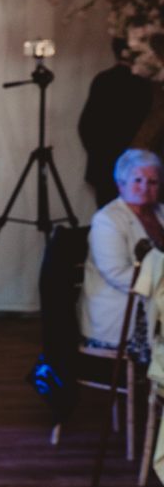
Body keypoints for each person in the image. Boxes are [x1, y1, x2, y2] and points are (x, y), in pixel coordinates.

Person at [79, 148, 164, 363]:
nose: (145, 187)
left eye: (153, 182)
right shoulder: (107, 220)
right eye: (138, 180)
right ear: (121, 184)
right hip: (126, 317)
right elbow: (119, 275)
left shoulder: (161, 212)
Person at [78, 38, 152, 207]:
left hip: (103, 165)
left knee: (109, 221)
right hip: (136, 167)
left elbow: (85, 126)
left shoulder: (102, 79)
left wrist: (99, 153)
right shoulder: (144, 85)